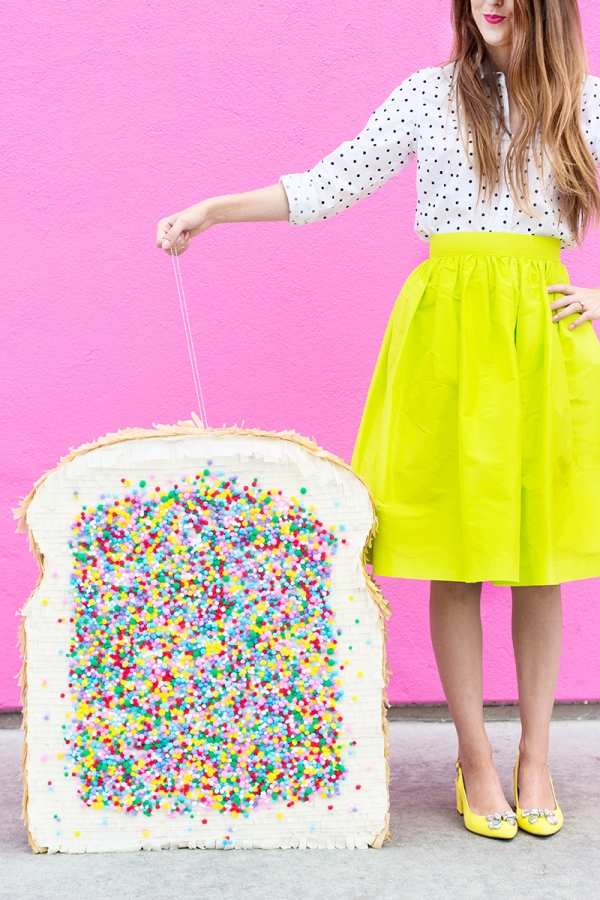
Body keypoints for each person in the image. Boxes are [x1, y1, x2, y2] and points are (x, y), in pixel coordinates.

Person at [156, 0, 600, 839]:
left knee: (540, 558)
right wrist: (214, 208)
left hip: (542, 343)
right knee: (456, 556)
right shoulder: (428, 96)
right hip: (446, 340)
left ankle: (535, 753)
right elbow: (330, 183)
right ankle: (475, 758)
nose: (489, 2)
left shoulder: (586, 102)